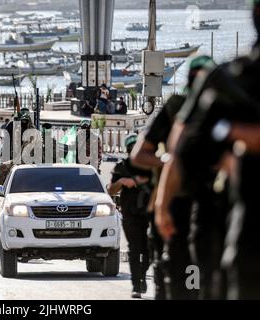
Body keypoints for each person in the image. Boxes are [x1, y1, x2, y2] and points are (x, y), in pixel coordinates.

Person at [155, 2, 260, 299]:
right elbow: (182, 149)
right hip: (225, 219)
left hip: (233, 224)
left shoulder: (233, 79)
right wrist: (163, 205)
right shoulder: (232, 81)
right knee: (198, 278)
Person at [130, 55, 215, 300]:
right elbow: (140, 154)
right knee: (173, 271)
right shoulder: (177, 106)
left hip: (213, 202)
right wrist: (170, 161)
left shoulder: (223, 106)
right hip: (175, 199)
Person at [107, 134, 151, 299]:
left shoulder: (150, 167)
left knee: (149, 250)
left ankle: (142, 276)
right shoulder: (122, 168)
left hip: (149, 213)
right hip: (130, 214)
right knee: (134, 249)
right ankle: (136, 285)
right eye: (131, 148)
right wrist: (122, 181)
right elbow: (111, 190)